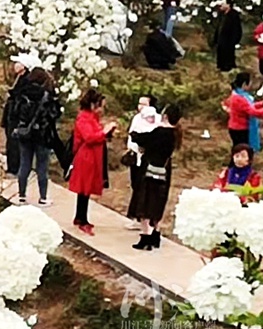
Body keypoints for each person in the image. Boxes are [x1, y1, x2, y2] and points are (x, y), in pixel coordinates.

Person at [128, 105, 183, 250]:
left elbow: (141, 139)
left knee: (145, 202)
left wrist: (133, 134)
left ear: (165, 116)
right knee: (158, 201)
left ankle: (145, 236)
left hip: (150, 169)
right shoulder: (174, 134)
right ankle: (155, 234)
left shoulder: (160, 132)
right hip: (164, 171)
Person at [10, 67, 61, 207]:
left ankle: (21, 195)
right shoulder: (47, 95)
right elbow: (54, 114)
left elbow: (15, 111)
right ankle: (43, 197)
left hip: (25, 133)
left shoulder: (23, 92)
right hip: (42, 135)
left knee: (24, 163)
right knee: (42, 167)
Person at [69, 89, 117, 236]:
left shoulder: (92, 117)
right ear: (92, 104)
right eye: (99, 105)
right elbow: (89, 137)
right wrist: (104, 131)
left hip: (93, 156)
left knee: (86, 189)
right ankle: (82, 219)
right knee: (84, 188)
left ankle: (81, 217)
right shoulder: (83, 118)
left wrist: (107, 133)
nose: (101, 109)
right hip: (86, 157)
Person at [1, 53, 42, 176]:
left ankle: (14, 168)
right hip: (13, 115)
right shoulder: (21, 79)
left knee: (14, 143)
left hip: (17, 116)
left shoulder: (27, 82)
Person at [125, 98, 159, 230]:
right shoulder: (137, 118)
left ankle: (140, 217)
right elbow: (131, 135)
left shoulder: (157, 119)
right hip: (136, 157)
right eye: (139, 103)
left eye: (144, 104)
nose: (141, 106)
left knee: (143, 187)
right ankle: (135, 216)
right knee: (136, 186)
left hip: (148, 159)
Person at [222, 72, 263, 151]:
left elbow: (249, 107)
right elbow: (252, 111)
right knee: (241, 152)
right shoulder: (239, 98)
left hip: (237, 128)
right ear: (245, 84)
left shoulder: (239, 95)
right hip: (239, 130)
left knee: (240, 152)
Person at [215, 0, 242, 72]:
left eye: (223, 4)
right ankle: (221, 66)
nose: (221, 6)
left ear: (228, 5)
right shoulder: (221, 14)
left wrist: (235, 39)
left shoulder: (234, 15)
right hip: (221, 38)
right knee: (221, 52)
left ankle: (228, 67)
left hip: (229, 39)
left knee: (228, 53)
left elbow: (236, 28)